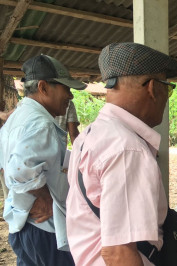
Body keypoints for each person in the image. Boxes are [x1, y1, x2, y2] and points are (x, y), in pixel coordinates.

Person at [66, 42, 177, 265]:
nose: (167, 96)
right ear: (153, 88)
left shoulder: (89, 135)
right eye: (168, 87)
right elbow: (119, 253)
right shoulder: (128, 150)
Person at [0, 54, 86, 265]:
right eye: (65, 88)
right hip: (44, 229)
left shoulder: (18, 117)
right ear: (43, 87)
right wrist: (45, 197)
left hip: (22, 224)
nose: (70, 96)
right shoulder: (41, 123)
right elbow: (19, 170)